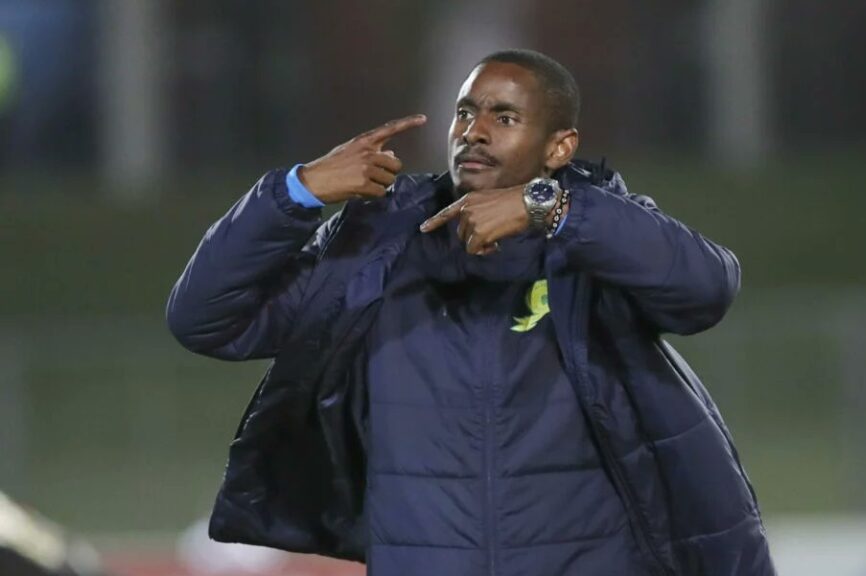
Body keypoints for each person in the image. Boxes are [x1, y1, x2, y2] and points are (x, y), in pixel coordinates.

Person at [167, 49, 775, 576]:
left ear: (559, 147)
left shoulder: (598, 237)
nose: (474, 132)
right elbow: (206, 319)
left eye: (504, 117)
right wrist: (295, 192)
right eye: (465, 112)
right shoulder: (378, 247)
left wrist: (551, 210)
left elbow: (706, 289)